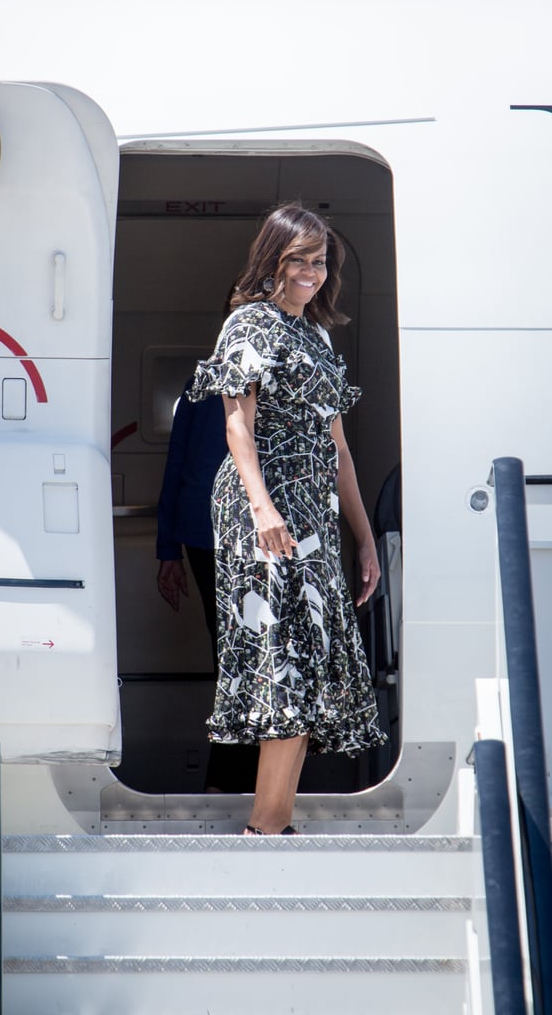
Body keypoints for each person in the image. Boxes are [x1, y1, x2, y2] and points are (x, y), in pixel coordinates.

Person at [188, 202, 387, 835]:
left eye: (320, 261)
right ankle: (264, 829)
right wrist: (261, 505)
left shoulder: (319, 337)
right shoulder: (249, 323)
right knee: (284, 658)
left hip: (314, 513)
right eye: (297, 258)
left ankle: (273, 823)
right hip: (261, 506)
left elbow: (340, 452)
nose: (310, 271)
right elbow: (236, 424)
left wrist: (363, 540)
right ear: (272, 258)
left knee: (315, 661)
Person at [156, 378, 259, 792]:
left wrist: (168, 549)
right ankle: (231, 783)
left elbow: (176, 464)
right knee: (248, 661)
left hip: (204, 532)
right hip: (239, 535)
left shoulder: (198, 384)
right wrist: (167, 548)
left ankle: (228, 782)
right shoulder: (258, 374)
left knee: (233, 659)